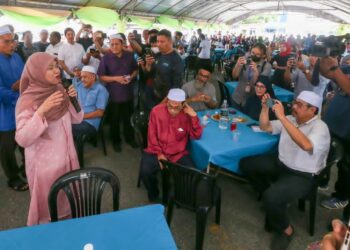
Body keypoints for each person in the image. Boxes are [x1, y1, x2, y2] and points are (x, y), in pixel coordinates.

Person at [240, 91, 330, 250]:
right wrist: (265, 109)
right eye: (295, 102)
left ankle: (286, 230)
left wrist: (281, 117)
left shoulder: (320, 128)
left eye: (300, 105)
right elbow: (265, 126)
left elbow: (306, 145)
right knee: (246, 164)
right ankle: (273, 200)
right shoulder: (291, 119)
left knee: (271, 197)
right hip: (281, 164)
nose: (294, 106)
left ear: (313, 110)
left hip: (302, 175)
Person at [15, 52, 84, 225]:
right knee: (49, 212)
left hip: (68, 159)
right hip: (45, 168)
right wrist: (41, 111)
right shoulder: (28, 100)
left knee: (69, 205)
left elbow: (77, 119)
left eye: (57, 67)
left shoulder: (60, 90)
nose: (57, 72)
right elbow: (22, 139)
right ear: (36, 72)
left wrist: (74, 100)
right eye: (50, 68)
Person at [140, 88, 203, 202]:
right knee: (145, 171)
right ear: (167, 101)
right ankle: (153, 193)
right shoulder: (156, 111)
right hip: (156, 150)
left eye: (177, 107)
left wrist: (194, 116)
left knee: (192, 174)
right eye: (170, 106)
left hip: (177, 154)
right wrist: (159, 154)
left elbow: (197, 135)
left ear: (183, 104)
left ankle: (181, 196)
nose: (173, 110)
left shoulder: (187, 114)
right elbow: (152, 135)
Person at [98, 34, 138, 152]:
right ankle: (116, 141)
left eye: (117, 44)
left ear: (122, 45)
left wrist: (131, 77)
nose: (114, 46)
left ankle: (130, 138)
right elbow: (101, 77)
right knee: (114, 120)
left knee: (128, 118)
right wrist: (116, 79)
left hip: (128, 94)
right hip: (114, 95)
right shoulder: (106, 58)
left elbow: (135, 70)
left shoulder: (129, 56)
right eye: (112, 44)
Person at [0, 25, 27, 191]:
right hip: (4, 113)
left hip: (23, 108)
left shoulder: (17, 57)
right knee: (7, 147)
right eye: (6, 41)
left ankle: (26, 167)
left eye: (13, 41)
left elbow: (26, 76)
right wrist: (14, 92)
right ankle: (12, 177)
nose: (12, 45)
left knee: (25, 141)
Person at [72, 66, 109, 165]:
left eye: (85, 77)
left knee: (69, 128)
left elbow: (99, 113)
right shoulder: (80, 86)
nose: (82, 80)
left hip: (91, 122)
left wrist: (81, 117)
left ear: (93, 77)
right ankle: (70, 154)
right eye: (81, 77)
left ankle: (77, 162)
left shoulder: (101, 90)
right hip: (79, 117)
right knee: (62, 124)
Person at [144, 29, 184, 102]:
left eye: (162, 41)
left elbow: (176, 86)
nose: (158, 44)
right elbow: (148, 74)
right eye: (158, 41)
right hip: (154, 93)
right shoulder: (157, 54)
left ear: (170, 42)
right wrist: (148, 65)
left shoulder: (177, 60)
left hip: (166, 99)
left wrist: (163, 103)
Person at [231, 43, 272, 109]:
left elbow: (260, 86)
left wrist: (256, 72)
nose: (254, 55)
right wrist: (237, 65)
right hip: (237, 98)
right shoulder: (246, 60)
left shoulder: (266, 66)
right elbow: (234, 76)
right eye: (252, 53)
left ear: (263, 55)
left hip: (252, 102)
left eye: (258, 54)